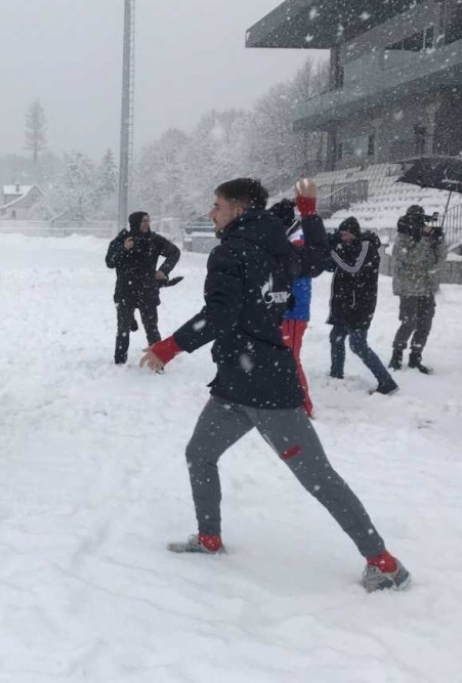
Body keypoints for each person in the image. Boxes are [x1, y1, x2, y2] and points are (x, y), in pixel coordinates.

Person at [140, 178, 410, 593]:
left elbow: (219, 315)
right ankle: (209, 538)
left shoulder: (232, 252)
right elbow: (320, 257)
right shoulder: (280, 246)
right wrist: (309, 211)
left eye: (217, 206)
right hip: (234, 384)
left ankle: (383, 562)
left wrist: (169, 346)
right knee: (200, 453)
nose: (212, 213)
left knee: (318, 477)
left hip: (269, 391)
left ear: (240, 208)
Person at [326, 217, 398, 395]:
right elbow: (332, 267)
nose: (344, 238)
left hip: (360, 305)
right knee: (336, 337)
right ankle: (336, 374)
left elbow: (352, 269)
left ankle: (386, 381)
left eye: (347, 234)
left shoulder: (367, 247)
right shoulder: (345, 247)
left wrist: (333, 252)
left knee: (358, 345)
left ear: (355, 233)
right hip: (343, 302)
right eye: (341, 235)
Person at [105, 212, 181, 365]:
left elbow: (174, 252)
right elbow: (110, 262)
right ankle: (120, 362)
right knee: (123, 329)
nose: (147, 223)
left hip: (148, 290)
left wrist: (163, 271)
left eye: (148, 220)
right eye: (144, 221)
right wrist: (124, 249)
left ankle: (158, 361)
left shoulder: (154, 240)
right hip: (125, 291)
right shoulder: (121, 239)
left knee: (152, 329)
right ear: (135, 223)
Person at [268, 198, 314, 416]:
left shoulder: (297, 241)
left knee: (291, 359)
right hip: (282, 306)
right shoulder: (288, 238)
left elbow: (292, 275)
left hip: (294, 311)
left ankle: (304, 407)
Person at [390, 205, 447, 374]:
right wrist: (423, 239)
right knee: (409, 322)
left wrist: (439, 241)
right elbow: (412, 258)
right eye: (415, 219)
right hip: (409, 287)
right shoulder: (402, 238)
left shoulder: (427, 236)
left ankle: (416, 356)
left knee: (425, 324)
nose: (418, 222)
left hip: (426, 286)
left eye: (420, 219)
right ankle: (397, 355)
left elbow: (441, 258)